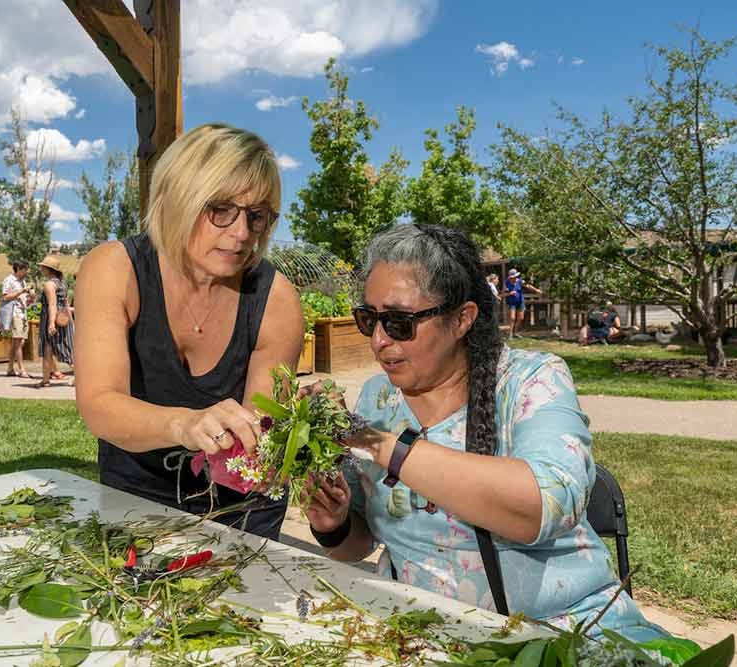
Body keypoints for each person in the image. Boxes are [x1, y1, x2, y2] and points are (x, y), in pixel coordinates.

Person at [304, 223, 668, 642]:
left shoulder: (531, 381)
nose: (379, 341)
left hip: (561, 634)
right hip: (420, 635)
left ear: (462, 319)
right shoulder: (377, 399)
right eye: (369, 319)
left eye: (399, 322)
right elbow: (357, 544)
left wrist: (376, 443)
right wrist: (332, 523)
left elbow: (546, 506)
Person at [73, 123, 304, 540]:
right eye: (221, 209)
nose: (241, 233)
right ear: (178, 198)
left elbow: (260, 437)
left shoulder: (275, 300)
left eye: (256, 216)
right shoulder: (114, 269)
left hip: (241, 511)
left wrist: (295, 434)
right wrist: (185, 424)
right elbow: (99, 404)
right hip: (134, 498)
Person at [35, 255, 74, 388]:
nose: (41, 269)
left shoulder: (49, 285)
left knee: (51, 348)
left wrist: (51, 323)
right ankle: (45, 380)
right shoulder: (62, 283)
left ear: (48, 269)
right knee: (59, 348)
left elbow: (52, 305)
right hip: (63, 320)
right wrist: (71, 321)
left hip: (51, 319)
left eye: (43, 267)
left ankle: (82, 378)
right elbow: (66, 304)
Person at [1, 260, 33, 377]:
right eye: (25, 270)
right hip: (15, 313)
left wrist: (30, 298)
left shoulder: (22, 281)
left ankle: (10, 368)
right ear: (19, 269)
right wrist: (21, 291)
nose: (27, 272)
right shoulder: (9, 280)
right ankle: (21, 369)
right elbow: (5, 297)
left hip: (23, 313)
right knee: (18, 342)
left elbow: (23, 299)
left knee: (19, 342)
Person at [504, 268, 541, 338]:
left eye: (515, 277)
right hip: (512, 303)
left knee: (521, 318)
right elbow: (503, 293)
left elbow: (528, 286)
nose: (514, 278)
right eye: (513, 277)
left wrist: (536, 290)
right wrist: (509, 293)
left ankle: (515, 332)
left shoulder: (520, 281)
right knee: (512, 318)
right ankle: (510, 334)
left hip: (520, 302)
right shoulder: (506, 282)